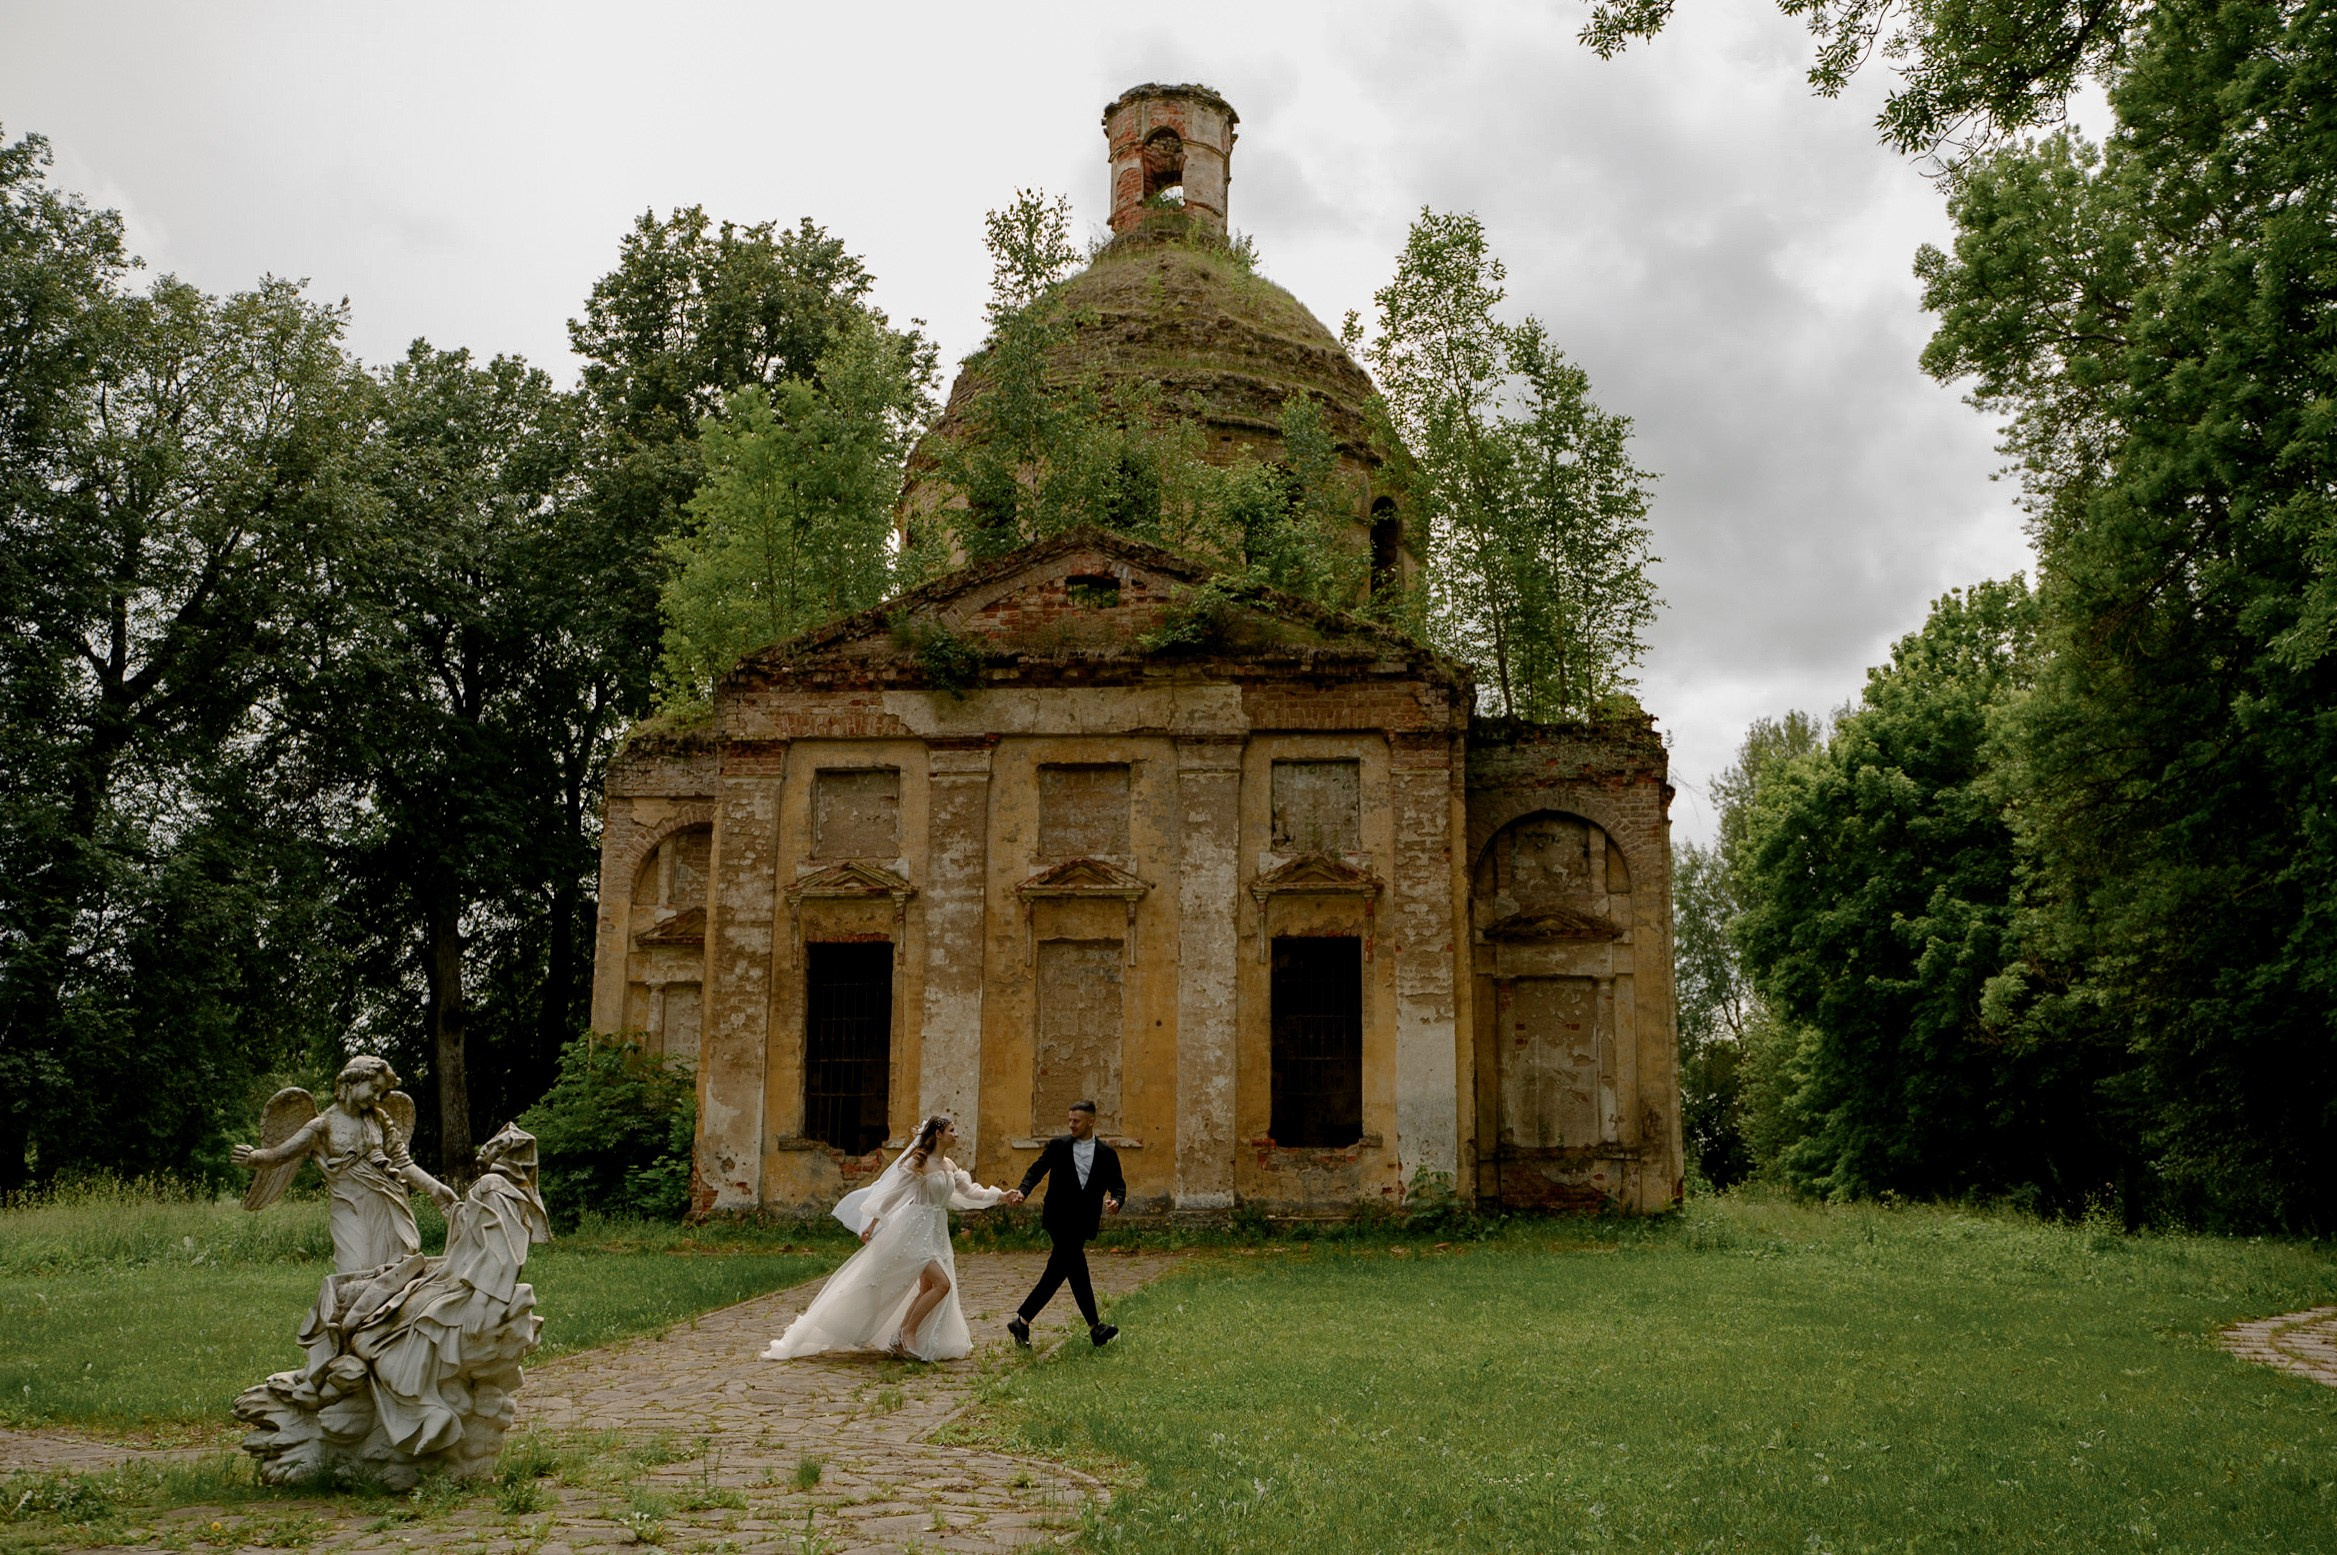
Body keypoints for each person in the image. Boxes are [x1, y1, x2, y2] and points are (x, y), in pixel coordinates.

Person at [761, 1115, 1022, 1362]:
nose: (957, 1135)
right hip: (914, 1231)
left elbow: (970, 1192)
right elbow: (894, 1194)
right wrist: (874, 1222)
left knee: (928, 1288)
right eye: (952, 1130)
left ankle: (902, 1339)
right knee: (942, 1285)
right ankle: (907, 1332)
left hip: (936, 1230)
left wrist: (1001, 1195)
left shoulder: (949, 1165)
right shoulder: (919, 1163)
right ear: (938, 1134)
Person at [232, 1057, 453, 1275]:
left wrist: (434, 1187)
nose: (377, 1098)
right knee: (353, 1270)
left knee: (392, 1274)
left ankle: (388, 1312)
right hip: (348, 1207)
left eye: (381, 1093)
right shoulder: (323, 1125)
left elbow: (402, 1162)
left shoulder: (379, 1119)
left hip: (386, 1206)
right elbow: (280, 1154)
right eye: (374, 1089)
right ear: (353, 1081)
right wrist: (253, 1157)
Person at [1008, 1099, 1126, 1350]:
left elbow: (1118, 1184)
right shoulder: (1059, 1146)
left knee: (1067, 1270)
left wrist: (1116, 1200)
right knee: (1071, 1266)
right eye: (1070, 1120)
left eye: (1077, 1121)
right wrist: (1023, 1191)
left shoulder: (1106, 1153)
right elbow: (1036, 1170)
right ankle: (1095, 1328)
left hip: (1083, 1221)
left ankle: (1023, 1321)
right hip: (1058, 1219)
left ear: (1090, 1121)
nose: (1071, 1124)